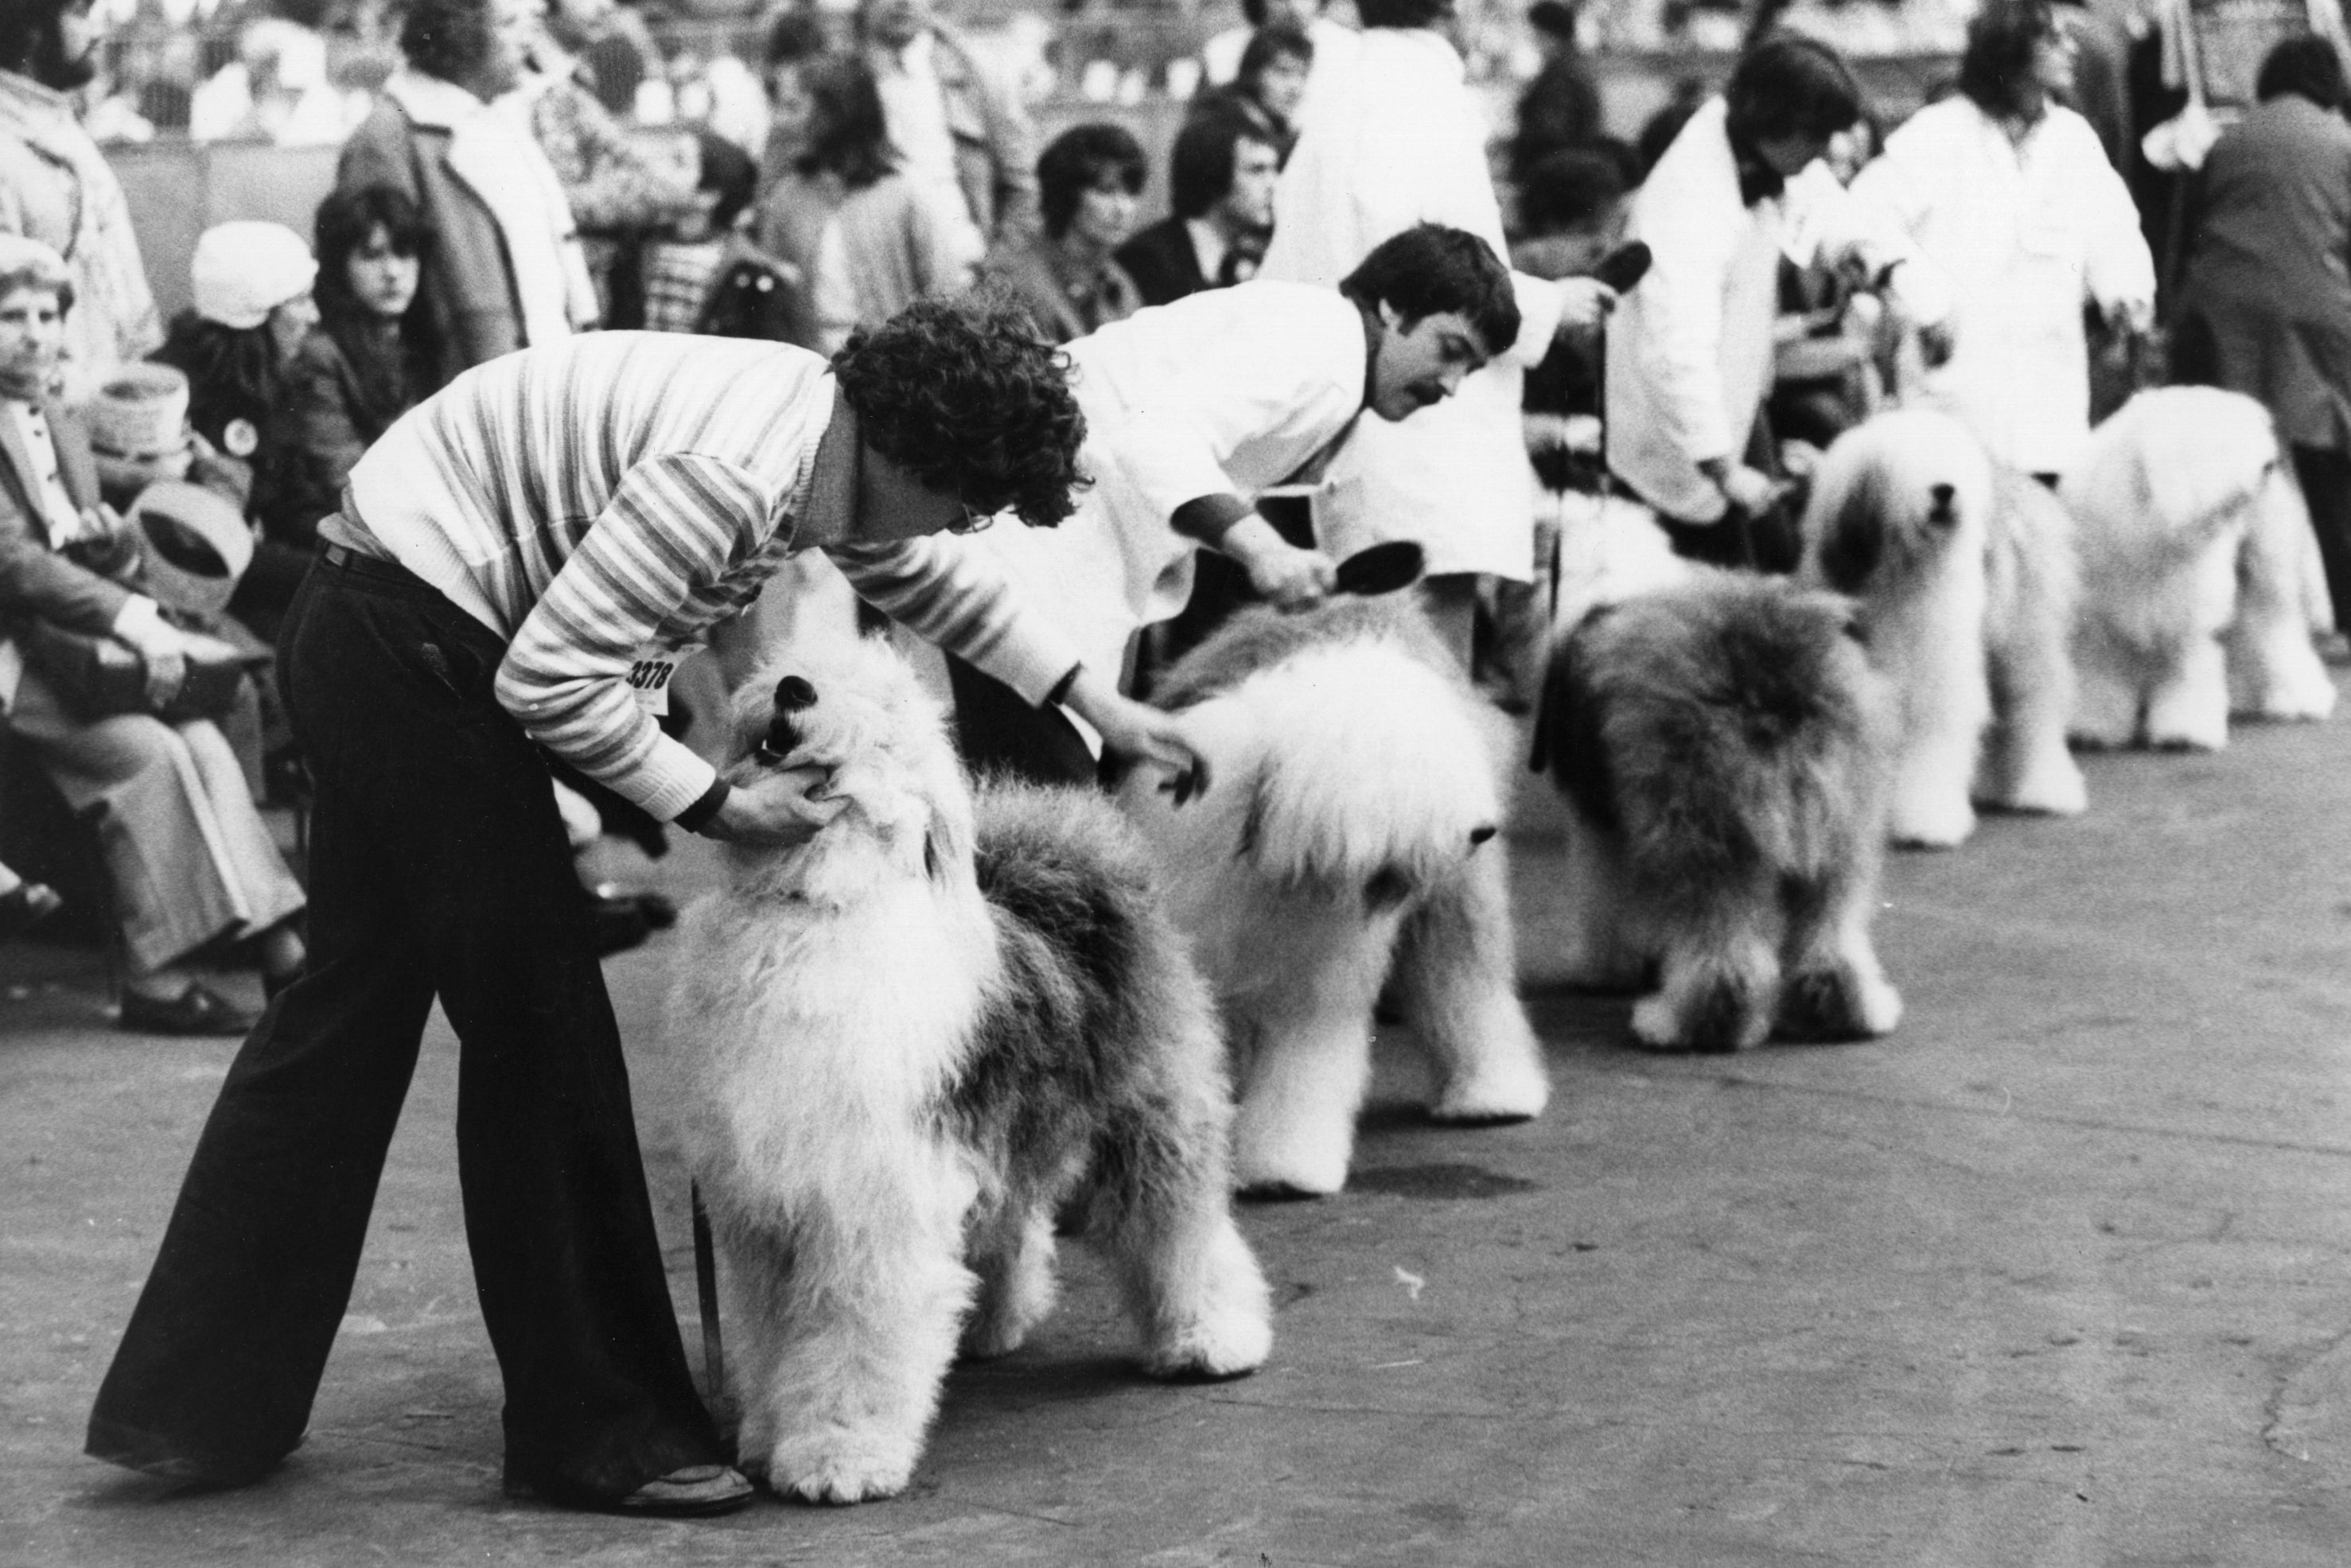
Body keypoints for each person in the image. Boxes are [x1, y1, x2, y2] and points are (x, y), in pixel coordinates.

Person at [82, 298, 1207, 1515]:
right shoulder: (729, 474)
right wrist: (716, 804)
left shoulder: (818, 429)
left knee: (342, 1013)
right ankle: (597, 1428)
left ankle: (197, 1400)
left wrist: (1101, 698)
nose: (963, 527)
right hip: (417, 642)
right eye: (968, 501)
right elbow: (550, 677)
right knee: (542, 1023)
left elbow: (924, 574)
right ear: (916, 457)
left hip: (372, 616)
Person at [957, 223, 1525, 782]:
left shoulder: (1329, 356)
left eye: (1469, 371)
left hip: (1046, 559)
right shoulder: (1321, 344)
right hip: (1029, 559)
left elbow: (1316, 508)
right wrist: (1264, 549)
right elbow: (1154, 438)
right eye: (1449, 350)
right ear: (1391, 310)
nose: (1450, 384)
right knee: (1047, 829)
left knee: (1059, 814)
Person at [0, 236, 306, 1037]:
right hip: (16, 658)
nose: (33, 333)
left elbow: (64, 548)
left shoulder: (59, 418)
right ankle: (156, 975)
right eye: (10, 317)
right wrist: (135, 617)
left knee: (202, 736)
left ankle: (277, 944)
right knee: (152, 753)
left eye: (45, 315)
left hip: (69, 642)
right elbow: (14, 565)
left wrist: (105, 543)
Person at [1255, 0, 1615, 672]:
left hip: (1366, 409)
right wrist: (1550, 304)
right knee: (1423, 673)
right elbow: (1426, 264)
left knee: (1372, 662)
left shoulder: (1352, 90)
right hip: (1412, 421)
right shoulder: (1413, 95)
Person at [1606, 34, 1954, 568]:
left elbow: (1833, 216)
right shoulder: (1687, 204)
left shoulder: (1759, 141)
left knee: (1777, 558)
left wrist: (1888, 272)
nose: (1826, 153)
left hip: (1736, 397)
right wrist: (1723, 469)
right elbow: (1674, 352)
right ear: (1774, 124)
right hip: (1678, 432)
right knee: (1712, 587)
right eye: (1816, 137)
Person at [1851, 0, 2153, 483]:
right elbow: (1862, 217)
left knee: (2038, 534)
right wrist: (1921, 298)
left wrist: (2124, 291)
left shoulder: (2073, 139)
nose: (2071, 48)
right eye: (2052, 39)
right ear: (2011, 51)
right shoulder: (1940, 132)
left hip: (2047, 400)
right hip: (1959, 393)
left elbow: (2114, 229)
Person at [2175, 34, 2351, 628]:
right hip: (2315, 317)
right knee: (2328, 468)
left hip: (2222, 316)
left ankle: (2228, 614)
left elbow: (2191, 227)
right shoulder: (2341, 140)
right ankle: (2343, 613)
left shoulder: (2229, 140)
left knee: (2231, 467)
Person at [337, 0, 597, 392]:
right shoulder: (387, 139)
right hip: (464, 400)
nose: (528, 37)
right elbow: (372, 308)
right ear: (455, 37)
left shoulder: (499, 118)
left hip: (543, 380)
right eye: (508, 23)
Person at [150, 223, 321, 646]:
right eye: (300, 301)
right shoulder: (178, 398)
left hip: (247, 571)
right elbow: (205, 552)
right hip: (194, 590)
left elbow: (291, 503)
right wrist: (333, 572)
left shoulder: (269, 381)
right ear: (258, 312)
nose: (314, 317)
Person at [757, 53, 981, 353]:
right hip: (812, 371)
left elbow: (947, 295)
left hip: (892, 373)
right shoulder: (787, 198)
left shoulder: (901, 197)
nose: (780, 120)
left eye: (793, 107)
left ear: (836, 115)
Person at [0, 0, 162, 407]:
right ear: (30, 28)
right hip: (45, 422)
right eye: (79, 13)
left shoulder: (57, 121)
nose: (98, 32)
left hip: (109, 398)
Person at [281, 185, 435, 569]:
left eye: (404, 254)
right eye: (372, 256)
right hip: (357, 539)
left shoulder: (421, 339)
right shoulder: (322, 353)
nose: (393, 272)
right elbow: (345, 480)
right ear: (340, 265)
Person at [855, 0, 1037, 251]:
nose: (904, 3)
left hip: (963, 261)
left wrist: (1000, 261)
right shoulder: (844, 79)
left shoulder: (977, 70)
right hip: (877, 260)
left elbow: (1023, 183)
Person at [977, 123, 1148, 345]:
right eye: (1106, 191)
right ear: (1067, 193)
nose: (1122, 208)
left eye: (1131, 192)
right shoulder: (1016, 281)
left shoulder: (1119, 281)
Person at [1114, 112, 1280, 306]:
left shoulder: (1234, 263)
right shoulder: (1148, 259)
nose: (1273, 184)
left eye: (1274, 170)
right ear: (1213, 174)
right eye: (1257, 170)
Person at [636, 128, 761, 333]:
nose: (658, 170)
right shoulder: (640, 247)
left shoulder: (744, 269)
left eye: (678, 162)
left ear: (709, 195)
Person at [1509, 0, 1604, 189]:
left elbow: (1550, 134)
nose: (1533, 41)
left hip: (1556, 180)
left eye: (1536, 34)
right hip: (1567, 174)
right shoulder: (1572, 68)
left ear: (1549, 35)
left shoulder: (1561, 76)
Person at [1190, 20, 1314, 162]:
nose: (1295, 87)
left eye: (1303, 75)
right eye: (1283, 72)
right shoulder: (1220, 129)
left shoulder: (1277, 129)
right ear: (1254, 73)